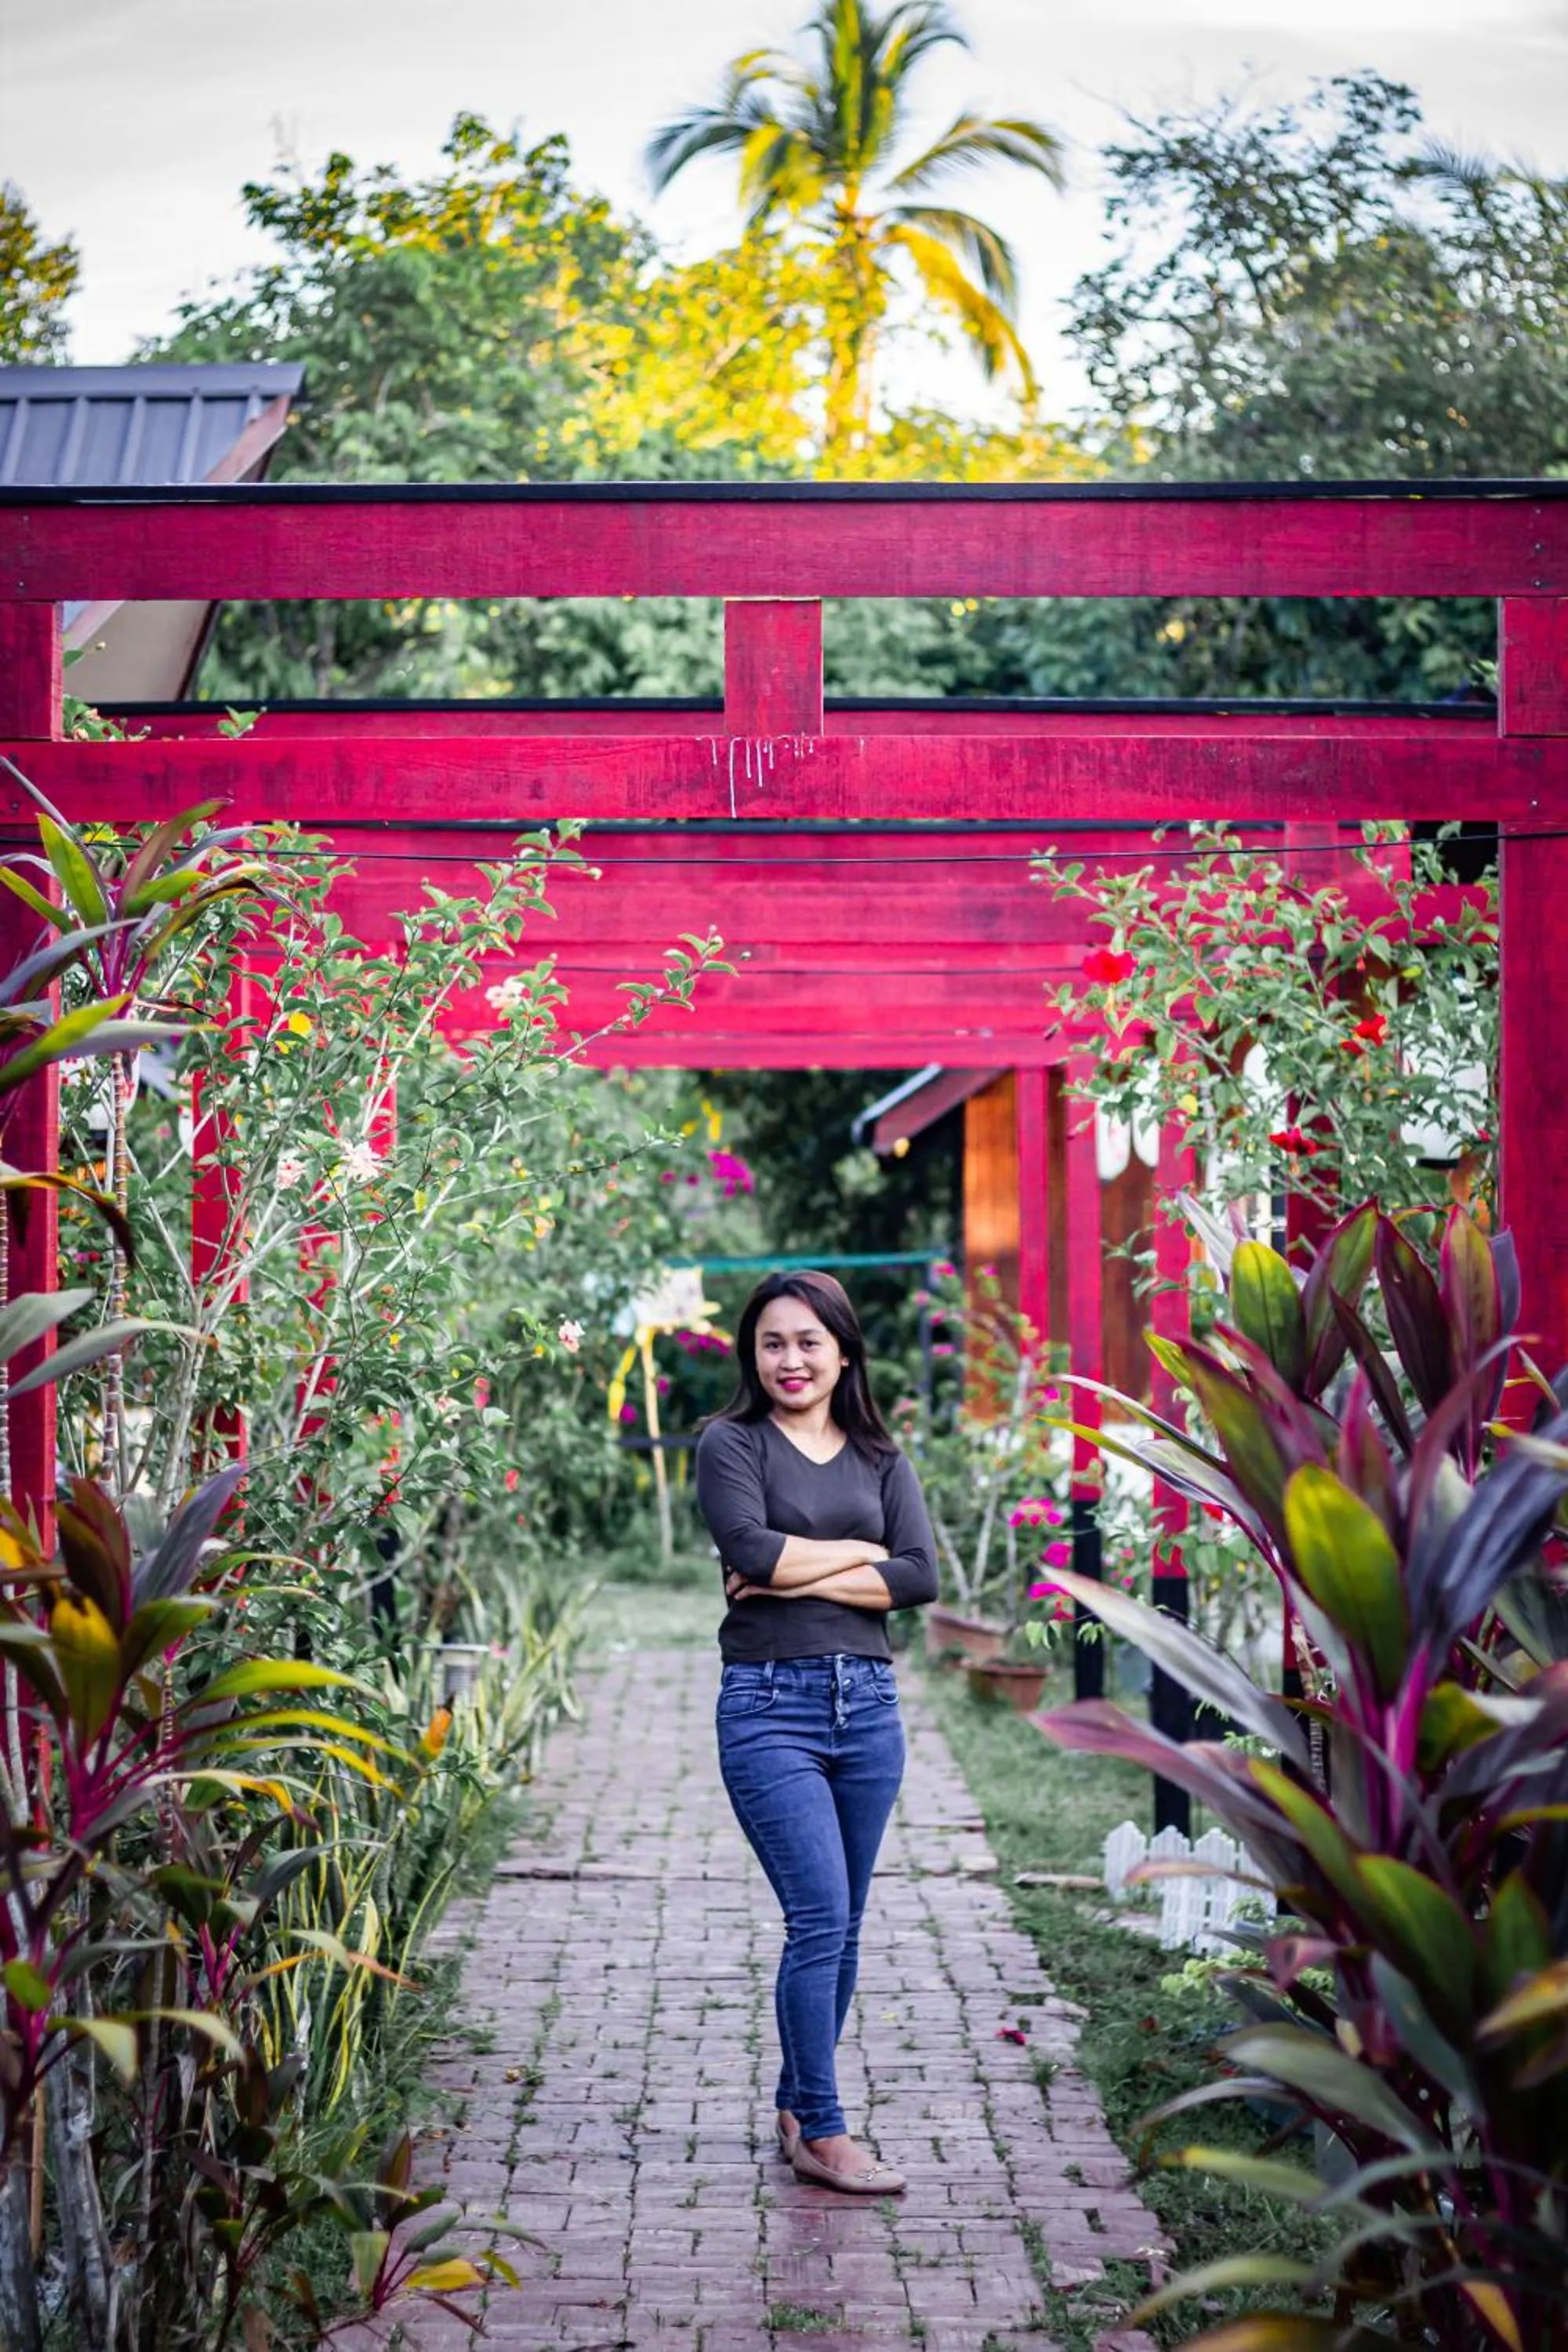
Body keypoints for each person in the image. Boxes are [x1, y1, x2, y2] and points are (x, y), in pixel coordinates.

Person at [695, 1269, 939, 2195]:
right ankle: (826, 2131)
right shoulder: (731, 1444)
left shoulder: (883, 1459)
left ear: (842, 1352)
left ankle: (798, 2107)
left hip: (867, 1710)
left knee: (843, 1928)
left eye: (807, 1342)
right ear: (752, 1355)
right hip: (768, 1707)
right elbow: (749, 1553)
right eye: (772, 1343)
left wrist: (803, 1567)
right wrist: (862, 1554)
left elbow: (917, 1578)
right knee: (818, 1919)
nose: (789, 1359)